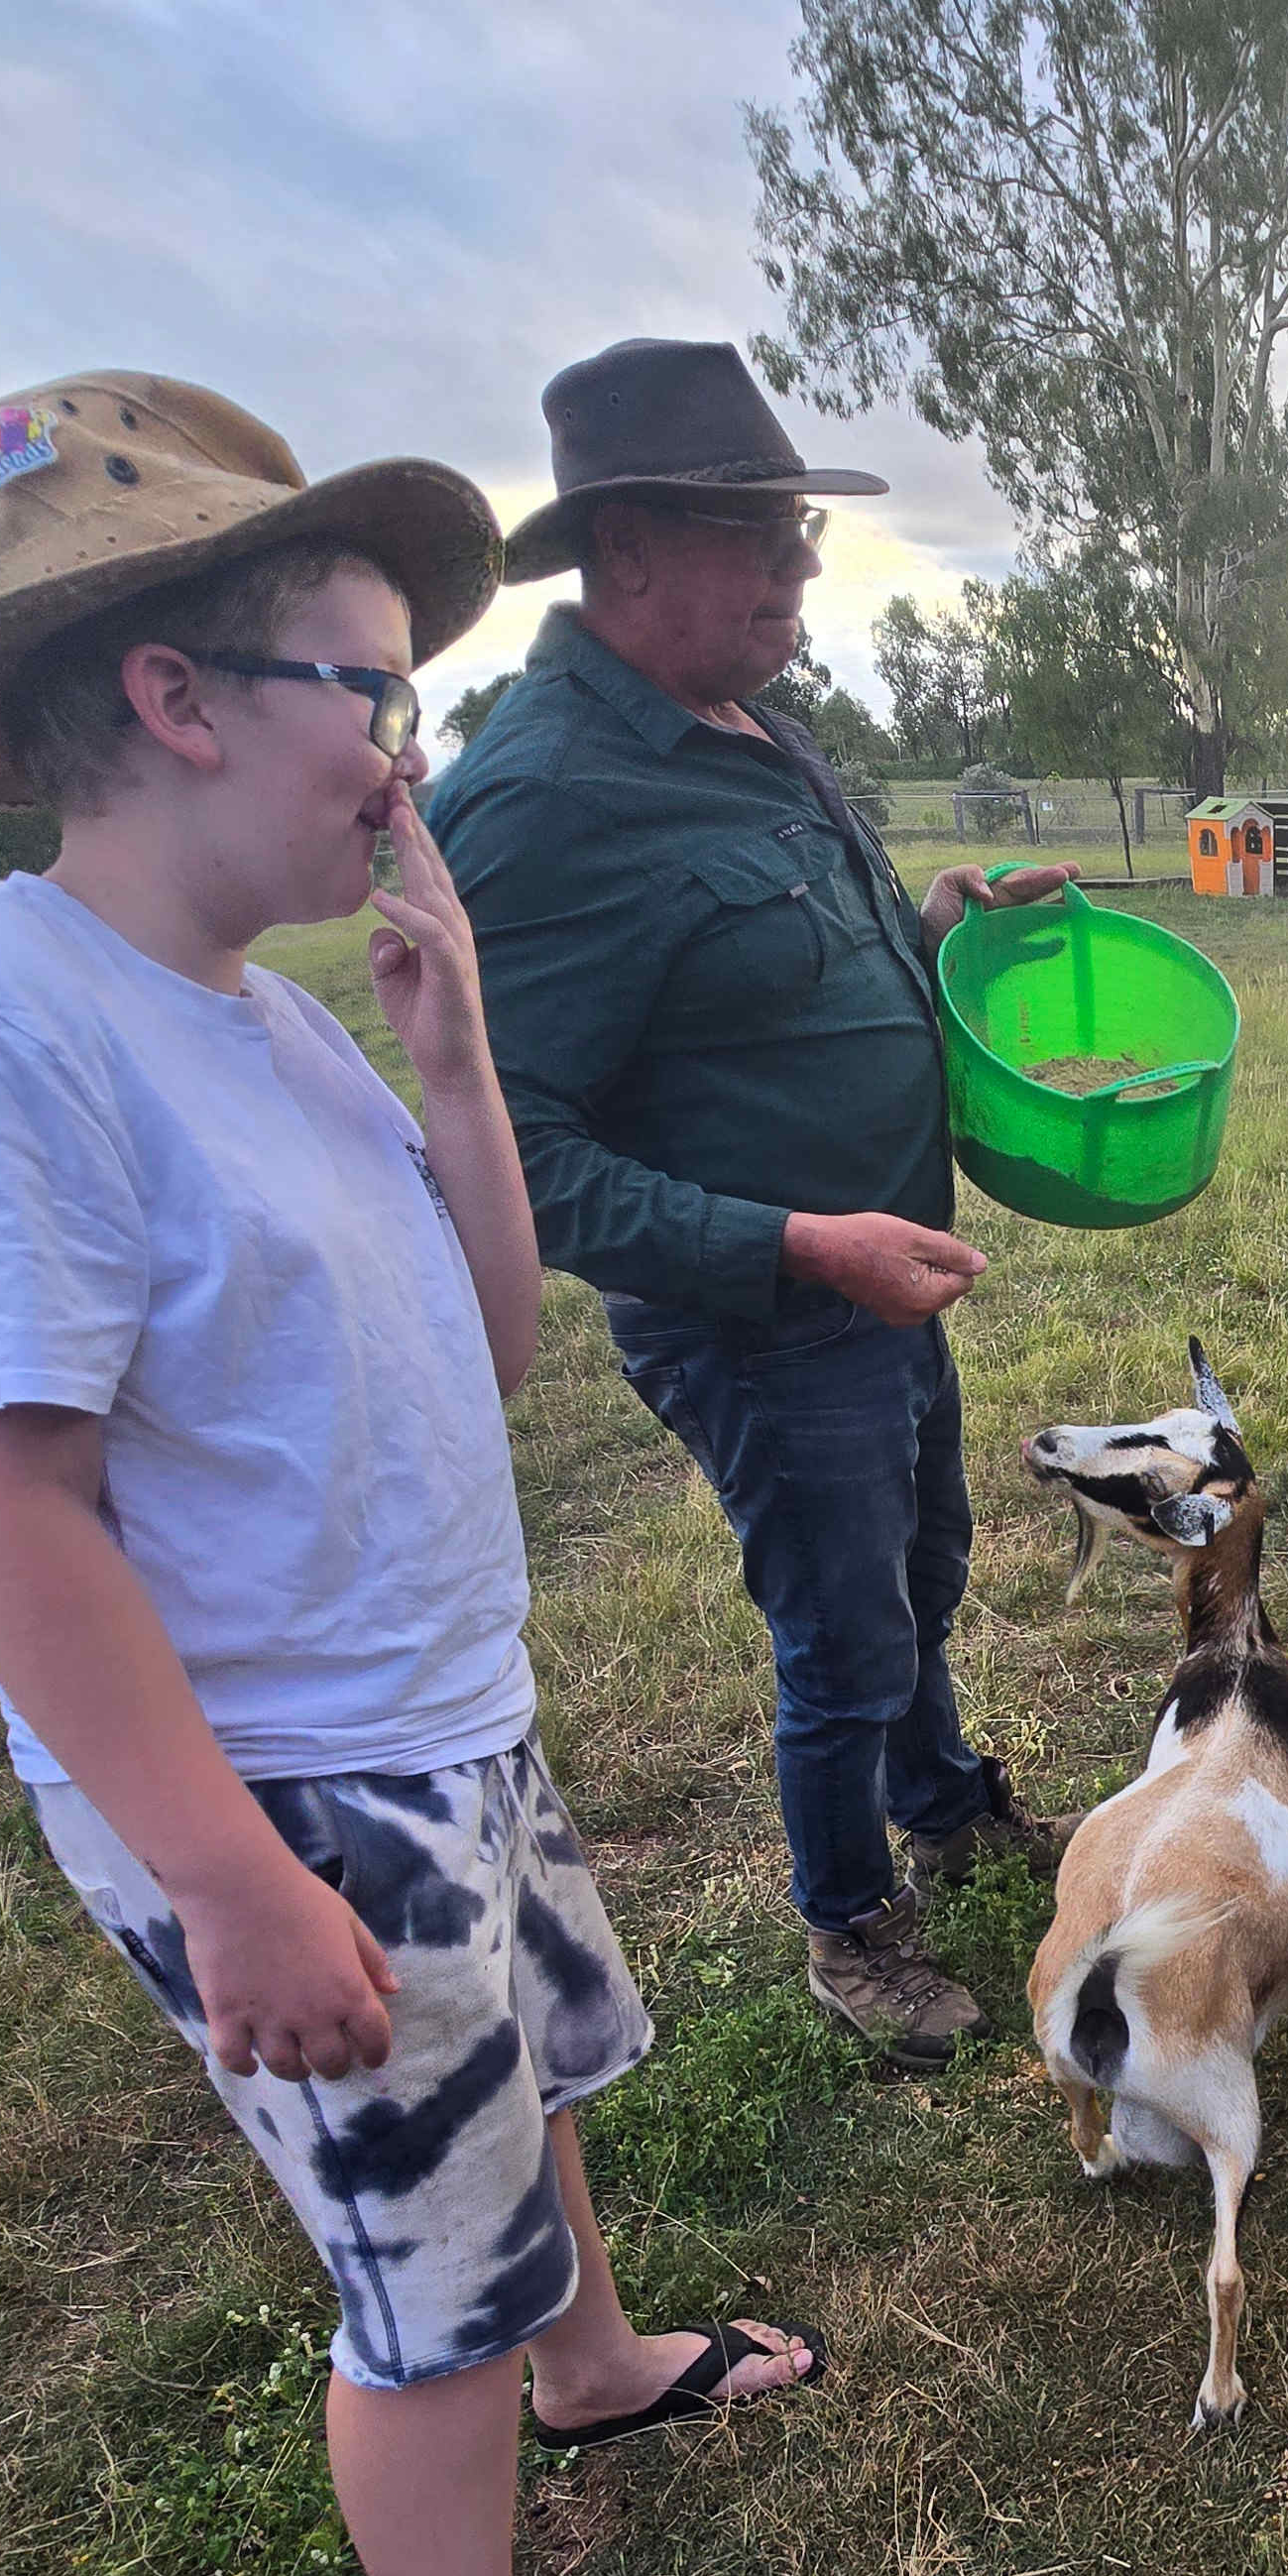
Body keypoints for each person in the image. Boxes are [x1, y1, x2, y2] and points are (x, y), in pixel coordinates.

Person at [0, 374, 823, 2576]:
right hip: (295, 1785)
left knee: (522, 2093)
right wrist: (228, 1879)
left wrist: (454, 1063)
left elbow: (498, 1343)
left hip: (450, 1716)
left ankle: (600, 2366)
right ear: (185, 698)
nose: (410, 760)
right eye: (377, 693)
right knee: (414, 2271)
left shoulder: (281, 1017)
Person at [426, 338, 1072, 2065]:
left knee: (922, 1567)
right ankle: (852, 1926)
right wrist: (797, 1246)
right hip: (775, 1321)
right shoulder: (545, 799)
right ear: (626, 551)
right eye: (765, 533)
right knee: (842, 1629)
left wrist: (937, 927)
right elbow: (517, 1159)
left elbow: (775, 984)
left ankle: (941, 1799)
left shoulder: (750, 727)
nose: (803, 568)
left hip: (883, 1281)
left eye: (802, 530)